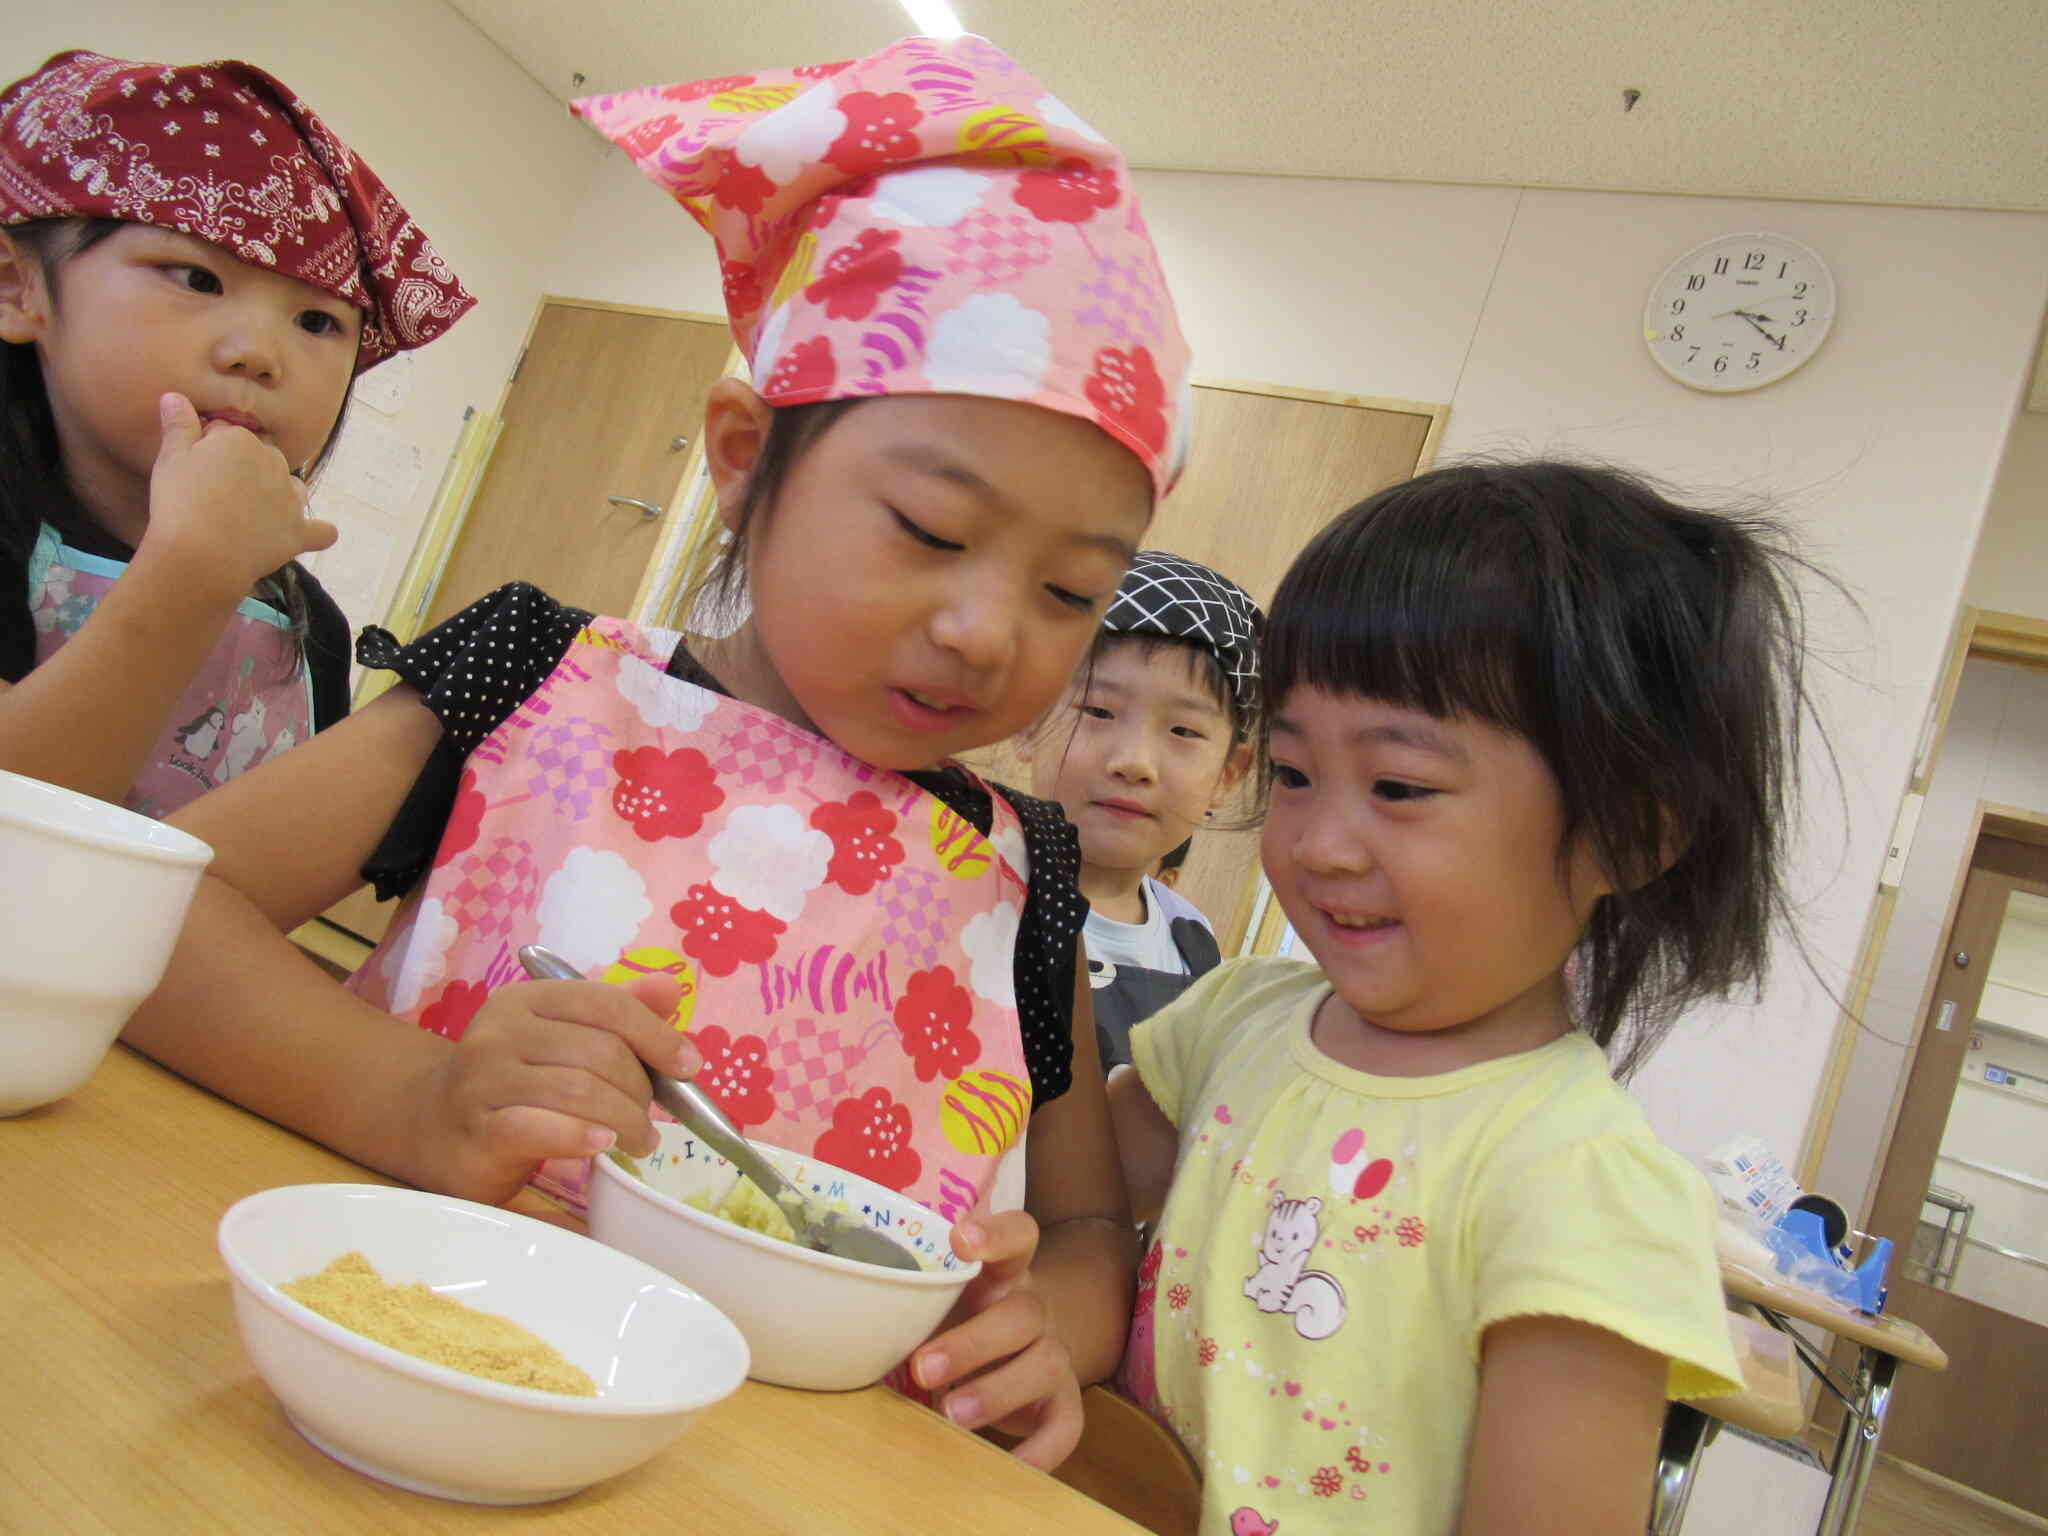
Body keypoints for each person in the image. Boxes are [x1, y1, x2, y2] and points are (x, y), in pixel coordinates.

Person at [124, 35, 1192, 1470]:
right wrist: (412, 1101)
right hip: (389, 1392)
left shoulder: (1030, 876)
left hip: (765, 1483)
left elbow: (1080, 1225)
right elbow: (161, 911)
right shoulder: (533, 681)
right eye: (932, 532)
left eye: (1071, 592)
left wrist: (1047, 1322)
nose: (988, 630)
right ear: (746, 455)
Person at [1109, 461, 1827, 1533]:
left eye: (1397, 787)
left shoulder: (1581, 1186)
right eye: (1294, 776)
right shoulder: (1237, 1015)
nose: (1317, 844)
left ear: (1626, 829)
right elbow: (1056, 1193)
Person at [0, 50, 472, 816]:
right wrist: (193, 570)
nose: (258, 354)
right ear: (18, 287)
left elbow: (237, 882)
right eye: (198, 279)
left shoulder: (311, 626)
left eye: (317, 321)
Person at [1024, 550, 1260, 1071]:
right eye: (1099, 711)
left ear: (1228, 774)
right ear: (1030, 717)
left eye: (1183, 731)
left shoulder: (1191, 939)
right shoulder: (965, 880)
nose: (1134, 763)